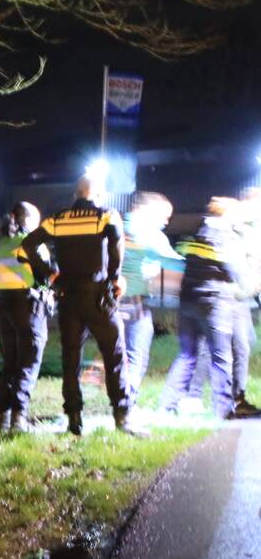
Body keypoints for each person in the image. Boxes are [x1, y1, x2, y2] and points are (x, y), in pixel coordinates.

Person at [22, 176, 136, 436]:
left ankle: (74, 418)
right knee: (114, 355)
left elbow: (28, 244)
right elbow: (118, 244)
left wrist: (51, 274)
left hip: (68, 297)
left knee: (71, 359)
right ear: (96, 193)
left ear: (76, 193)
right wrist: (114, 278)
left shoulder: (57, 219)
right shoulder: (106, 216)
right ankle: (122, 415)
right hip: (98, 297)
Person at [159, 197, 247, 419]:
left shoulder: (197, 231)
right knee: (221, 356)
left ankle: (167, 404)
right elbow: (235, 271)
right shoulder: (227, 236)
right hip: (214, 304)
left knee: (187, 355)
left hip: (187, 301)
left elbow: (183, 259)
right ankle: (224, 409)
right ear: (227, 214)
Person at [0, 202, 52, 436]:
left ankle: (4, 418)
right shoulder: (31, 244)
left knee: (10, 364)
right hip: (30, 309)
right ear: (29, 221)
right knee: (28, 363)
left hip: (4, 309)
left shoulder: (0, 245)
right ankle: (19, 419)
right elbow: (48, 274)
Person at [118, 192, 184, 407]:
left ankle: (117, 398)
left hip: (109, 300)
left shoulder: (118, 224)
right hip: (134, 300)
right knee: (136, 353)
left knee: (116, 352)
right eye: (164, 216)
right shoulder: (147, 232)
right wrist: (201, 263)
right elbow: (171, 261)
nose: (166, 222)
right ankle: (127, 404)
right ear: (149, 210)